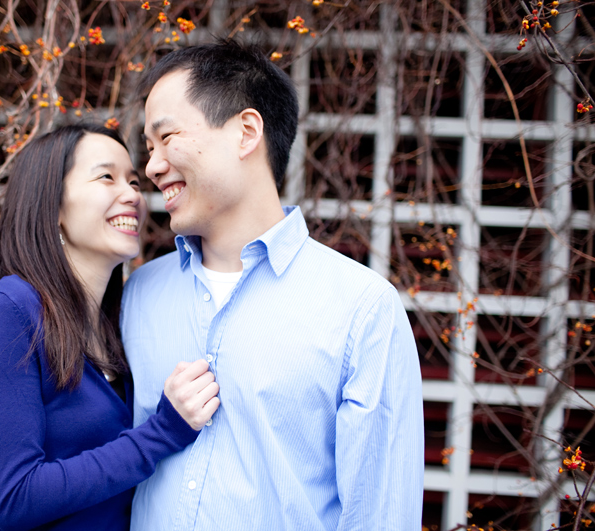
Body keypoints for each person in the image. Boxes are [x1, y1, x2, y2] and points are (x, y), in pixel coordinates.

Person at [121, 40, 424, 529]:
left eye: (167, 137)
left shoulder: (361, 309)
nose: (152, 165)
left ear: (245, 132)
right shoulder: (138, 294)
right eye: (149, 148)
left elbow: (381, 515)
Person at [0, 124, 220, 531]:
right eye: (107, 177)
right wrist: (163, 432)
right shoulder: (11, 310)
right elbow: (15, 497)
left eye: (134, 181)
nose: (133, 194)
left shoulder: (119, 321)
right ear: (54, 206)